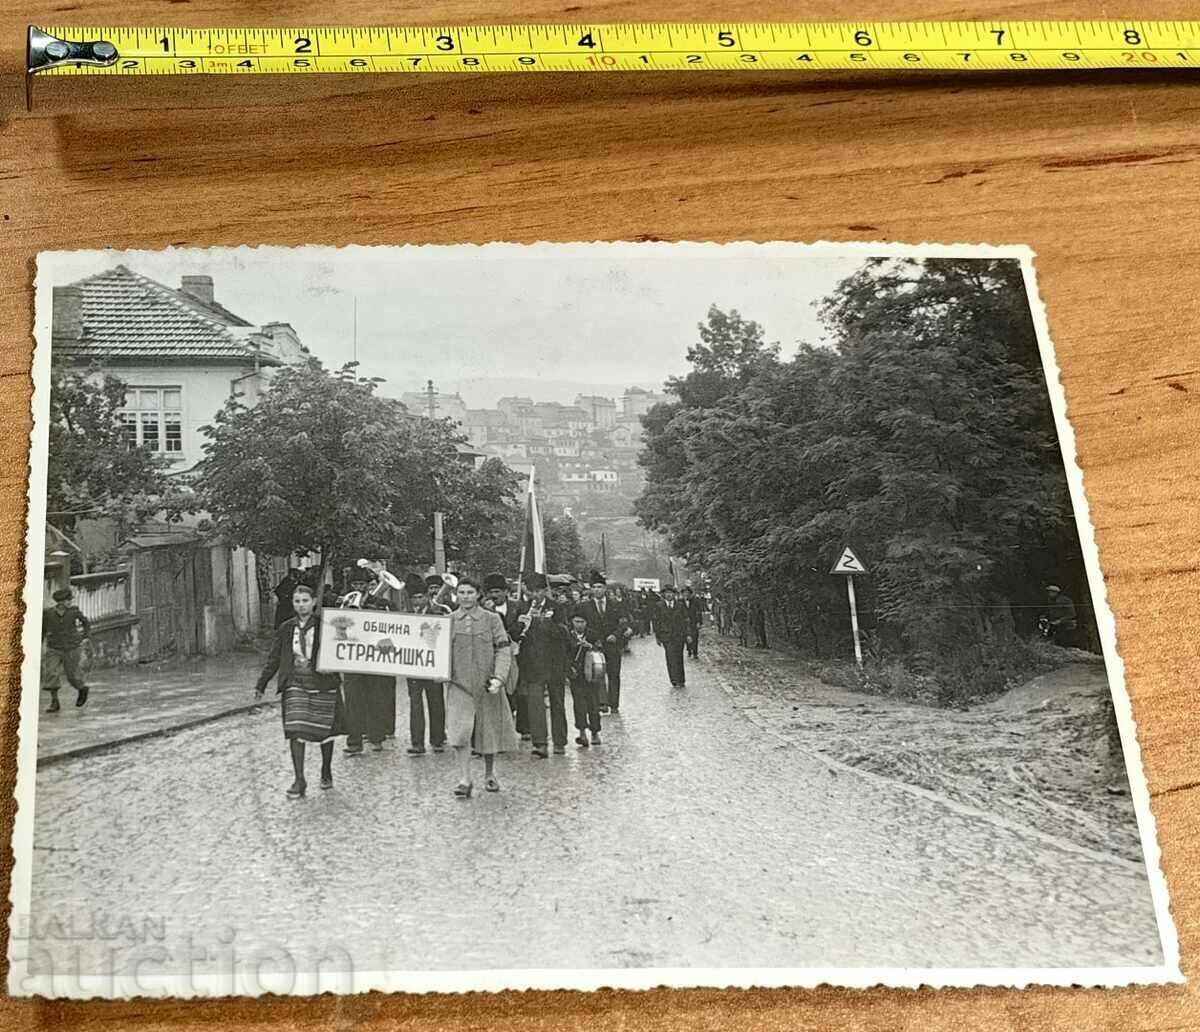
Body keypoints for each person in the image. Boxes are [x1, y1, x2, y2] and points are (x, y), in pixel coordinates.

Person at [254, 581, 345, 798]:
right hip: (295, 684)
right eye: (297, 601)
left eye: (305, 601)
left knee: (324, 731)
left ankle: (326, 770)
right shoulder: (286, 628)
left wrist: (333, 666)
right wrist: (261, 683)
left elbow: (342, 651)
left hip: (323, 684)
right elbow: (274, 658)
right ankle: (299, 779)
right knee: (295, 730)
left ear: (313, 602)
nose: (301, 605)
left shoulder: (327, 626)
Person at [443, 576, 518, 797]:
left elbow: (503, 649)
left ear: (478, 595)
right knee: (460, 733)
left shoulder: (492, 619)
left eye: (470, 592)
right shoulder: (448, 621)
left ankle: (489, 773)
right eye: (461, 592)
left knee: (489, 729)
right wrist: (439, 672)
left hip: (487, 685)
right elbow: (436, 650)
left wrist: (499, 678)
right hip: (459, 685)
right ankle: (465, 779)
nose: (465, 597)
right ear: (456, 595)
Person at [341, 568, 398, 756]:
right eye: (355, 584)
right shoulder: (344, 602)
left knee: (376, 699)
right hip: (351, 658)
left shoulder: (381, 603)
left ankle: (376, 738)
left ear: (367, 585)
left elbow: (392, 627)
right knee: (352, 701)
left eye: (361, 584)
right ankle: (354, 741)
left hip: (374, 658)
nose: (358, 587)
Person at [514, 572, 571, 757]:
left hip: (554, 663)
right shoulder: (522, 607)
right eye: (531, 592)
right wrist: (521, 624)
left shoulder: (557, 607)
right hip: (532, 663)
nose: (535, 595)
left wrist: (544, 623)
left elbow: (564, 633)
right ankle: (540, 743)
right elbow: (513, 633)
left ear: (545, 590)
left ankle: (560, 741)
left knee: (557, 702)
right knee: (535, 703)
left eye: (538, 591)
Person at [404, 574, 450, 755]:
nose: (417, 601)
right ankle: (417, 743)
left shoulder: (438, 613)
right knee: (415, 705)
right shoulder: (406, 616)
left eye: (420, 597)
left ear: (426, 596)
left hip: (433, 665)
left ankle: (437, 739)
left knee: (436, 702)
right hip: (413, 666)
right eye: (414, 598)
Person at [575, 571, 632, 714]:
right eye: (594, 587)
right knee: (597, 674)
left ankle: (614, 704)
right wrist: (592, 639)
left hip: (612, 644)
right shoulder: (584, 606)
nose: (597, 590)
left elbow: (623, 623)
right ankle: (601, 702)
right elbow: (580, 625)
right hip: (594, 646)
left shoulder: (616, 605)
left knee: (614, 674)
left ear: (605, 589)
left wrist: (616, 635)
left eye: (599, 587)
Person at [42, 587, 90, 712]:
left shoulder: (74, 612)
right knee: (51, 673)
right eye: (67, 600)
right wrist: (41, 644)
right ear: (60, 602)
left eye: (70, 600)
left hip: (72, 647)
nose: (69, 602)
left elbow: (86, 623)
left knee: (72, 676)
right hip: (54, 647)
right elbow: (43, 630)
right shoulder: (48, 613)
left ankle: (82, 689)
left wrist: (85, 636)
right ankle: (54, 702)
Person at [568, 613, 603, 747]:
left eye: (582, 622)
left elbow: (601, 651)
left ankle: (595, 732)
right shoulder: (568, 635)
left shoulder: (592, 634)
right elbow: (564, 653)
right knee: (579, 704)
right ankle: (582, 732)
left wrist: (590, 646)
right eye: (577, 621)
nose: (579, 625)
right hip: (576, 675)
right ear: (572, 622)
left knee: (593, 703)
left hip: (591, 674)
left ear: (586, 623)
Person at [653, 584, 691, 689]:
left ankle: (681, 680)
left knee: (679, 657)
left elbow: (686, 620)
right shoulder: (659, 606)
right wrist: (658, 636)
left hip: (679, 635)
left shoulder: (680, 605)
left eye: (671, 593)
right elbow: (656, 622)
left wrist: (688, 634)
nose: (669, 595)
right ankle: (674, 679)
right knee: (670, 657)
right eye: (667, 593)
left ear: (674, 594)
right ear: (664, 594)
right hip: (666, 636)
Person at [1042, 583, 1078, 648]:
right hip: (1054, 625)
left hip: (1067, 625)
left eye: (1051, 592)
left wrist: (1060, 620)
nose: (1049, 594)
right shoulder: (1050, 601)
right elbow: (1049, 612)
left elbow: (1072, 614)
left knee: (1064, 642)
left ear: (1056, 593)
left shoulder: (1066, 600)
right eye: (1048, 592)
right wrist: (1044, 617)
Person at [682, 586, 704, 659]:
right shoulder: (680, 602)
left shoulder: (695, 601)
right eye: (685, 593)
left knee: (695, 637)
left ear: (690, 594)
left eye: (687, 593)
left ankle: (695, 653)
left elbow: (699, 612)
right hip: (685, 623)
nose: (686, 594)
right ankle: (689, 650)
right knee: (686, 637)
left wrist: (699, 622)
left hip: (694, 622)